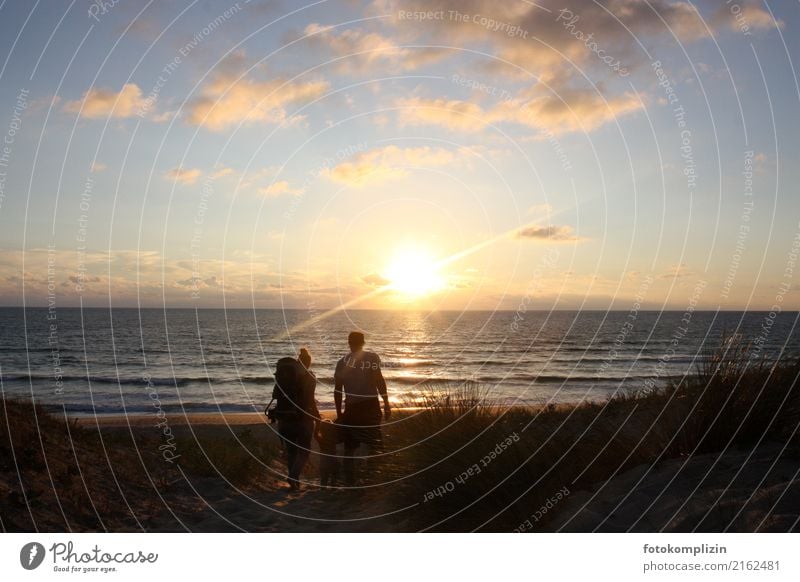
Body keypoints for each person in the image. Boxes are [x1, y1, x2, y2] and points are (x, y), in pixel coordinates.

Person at [334, 331, 391, 485]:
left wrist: (339, 414)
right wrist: (386, 403)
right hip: (370, 406)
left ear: (349, 342)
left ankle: (350, 481)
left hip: (352, 408)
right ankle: (373, 478)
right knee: (375, 443)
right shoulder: (372, 358)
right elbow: (379, 381)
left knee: (350, 447)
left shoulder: (341, 362)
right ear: (363, 342)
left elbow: (338, 391)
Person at [274, 347, 319, 490]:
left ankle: (294, 481)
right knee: (305, 450)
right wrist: (317, 416)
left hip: (284, 417)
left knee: (291, 450)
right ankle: (293, 476)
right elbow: (310, 400)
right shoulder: (310, 377)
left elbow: (276, 395)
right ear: (309, 363)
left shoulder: (286, 377)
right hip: (302, 418)